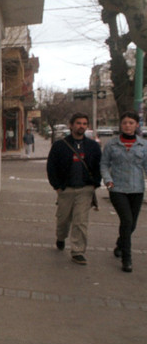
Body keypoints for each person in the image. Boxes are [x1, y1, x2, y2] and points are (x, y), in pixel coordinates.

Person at [46, 112, 102, 265]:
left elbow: (99, 166)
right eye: (78, 123)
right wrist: (57, 187)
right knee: (63, 220)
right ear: (71, 125)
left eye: (84, 123)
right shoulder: (60, 146)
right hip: (66, 190)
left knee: (80, 221)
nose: (81, 126)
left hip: (85, 190)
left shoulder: (93, 146)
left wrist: (94, 184)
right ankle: (60, 237)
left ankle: (78, 251)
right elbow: (51, 167)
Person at [100, 110, 147, 273]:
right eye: (125, 122)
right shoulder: (112, 144)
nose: (128, 126)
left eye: (131, 123)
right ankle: (127, 258)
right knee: (126, 221)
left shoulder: (143, 145)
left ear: (136, 125)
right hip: (117, 188)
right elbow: (104, 164)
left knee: (131, 224)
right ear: (121, 125)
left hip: (137, 189)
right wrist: (108, 180)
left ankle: (120, 244)